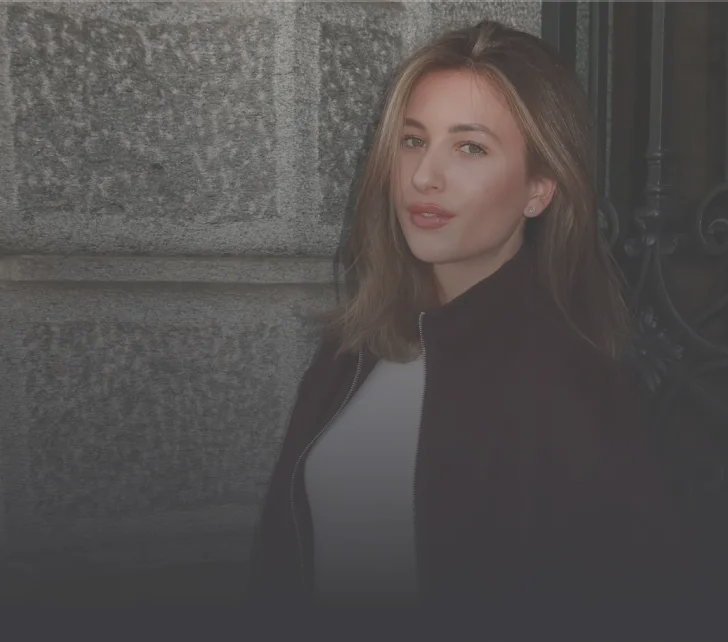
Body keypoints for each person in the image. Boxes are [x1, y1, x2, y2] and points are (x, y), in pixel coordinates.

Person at [248, 20, 681, 619]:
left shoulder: (572, 389)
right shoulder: (355, 347)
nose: (425, 176)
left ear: (538, 189)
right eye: (412, 140)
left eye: (470, 147)